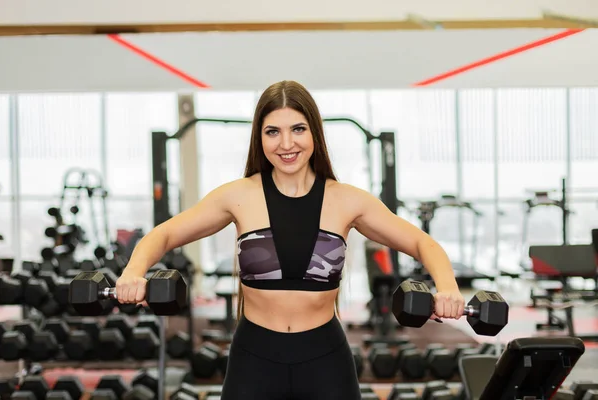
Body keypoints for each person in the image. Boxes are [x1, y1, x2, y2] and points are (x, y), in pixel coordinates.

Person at [116, 80, 466, 399]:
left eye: (298, 129)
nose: (286, 144)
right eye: (273, 132)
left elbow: (424, 244)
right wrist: (133, 272)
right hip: (254, 357)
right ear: (260, 137)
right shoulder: (238, 195)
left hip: (325, 357)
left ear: (314, 132)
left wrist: (447, 286)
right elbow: (163, 234)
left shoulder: (347, 200)